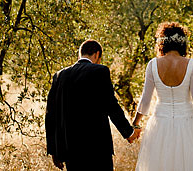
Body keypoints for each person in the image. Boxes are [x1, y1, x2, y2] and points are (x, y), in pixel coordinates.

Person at [131, 22, 193, 171]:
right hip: (188, 124)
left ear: (161, 43)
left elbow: (145, 100)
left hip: (160, 125)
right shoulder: (190, 64)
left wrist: (135, 123)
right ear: (182, 43)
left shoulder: (152, 65)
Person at [45, 39, 139, 170]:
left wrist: (55, 151)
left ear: (80, 54)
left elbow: (50, 115)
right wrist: (128, 133)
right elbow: (111, 106)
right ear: (97, 54)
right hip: (97, 148)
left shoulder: (60, 75)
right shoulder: (100, 71)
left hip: (70, 149)